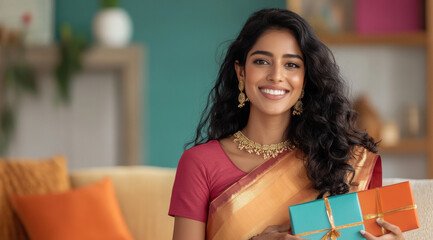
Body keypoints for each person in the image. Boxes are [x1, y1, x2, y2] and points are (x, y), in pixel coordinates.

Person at [169, 8, 405, 240]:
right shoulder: (199, 164)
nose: (276, 76)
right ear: (241, 72)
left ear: (305, 78)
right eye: (262, 61)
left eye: (291, 65)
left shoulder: (340, 160)